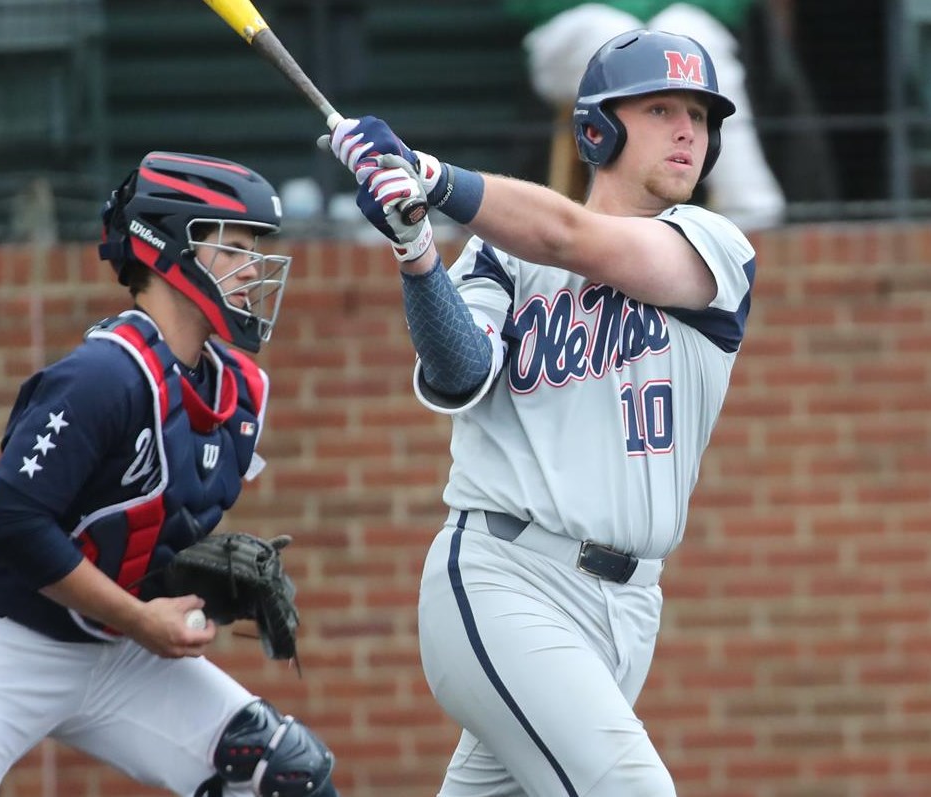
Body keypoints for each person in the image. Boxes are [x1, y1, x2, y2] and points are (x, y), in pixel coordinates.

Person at [323, 27, 755, 795]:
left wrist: (428, 174)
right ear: (599, 128)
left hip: (629, 607)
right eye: (660, 108)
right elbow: (460, 369)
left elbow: (568, 235)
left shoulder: (714, 248)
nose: (690, 129)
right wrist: (417, 249)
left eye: (701, 113)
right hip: (506, 579)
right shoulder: (500, 254)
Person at [0, 152, 340, 797]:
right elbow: (12, 524)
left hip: (118, 650)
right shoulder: (102, 377)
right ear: (170, 247)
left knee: (286, 776)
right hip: (4, 637)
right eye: (233, 246)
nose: (253, 269)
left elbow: (139, 520)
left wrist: (176, 578)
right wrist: (138, 617)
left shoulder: (236, 391)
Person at [507, 0, 786, 230]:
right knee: (615, 36)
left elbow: (731, 7)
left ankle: (751, 216)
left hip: (673, 17)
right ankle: (614, 224)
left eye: (698, 118)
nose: (687, 130)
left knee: (688, 37)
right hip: (574, 25)